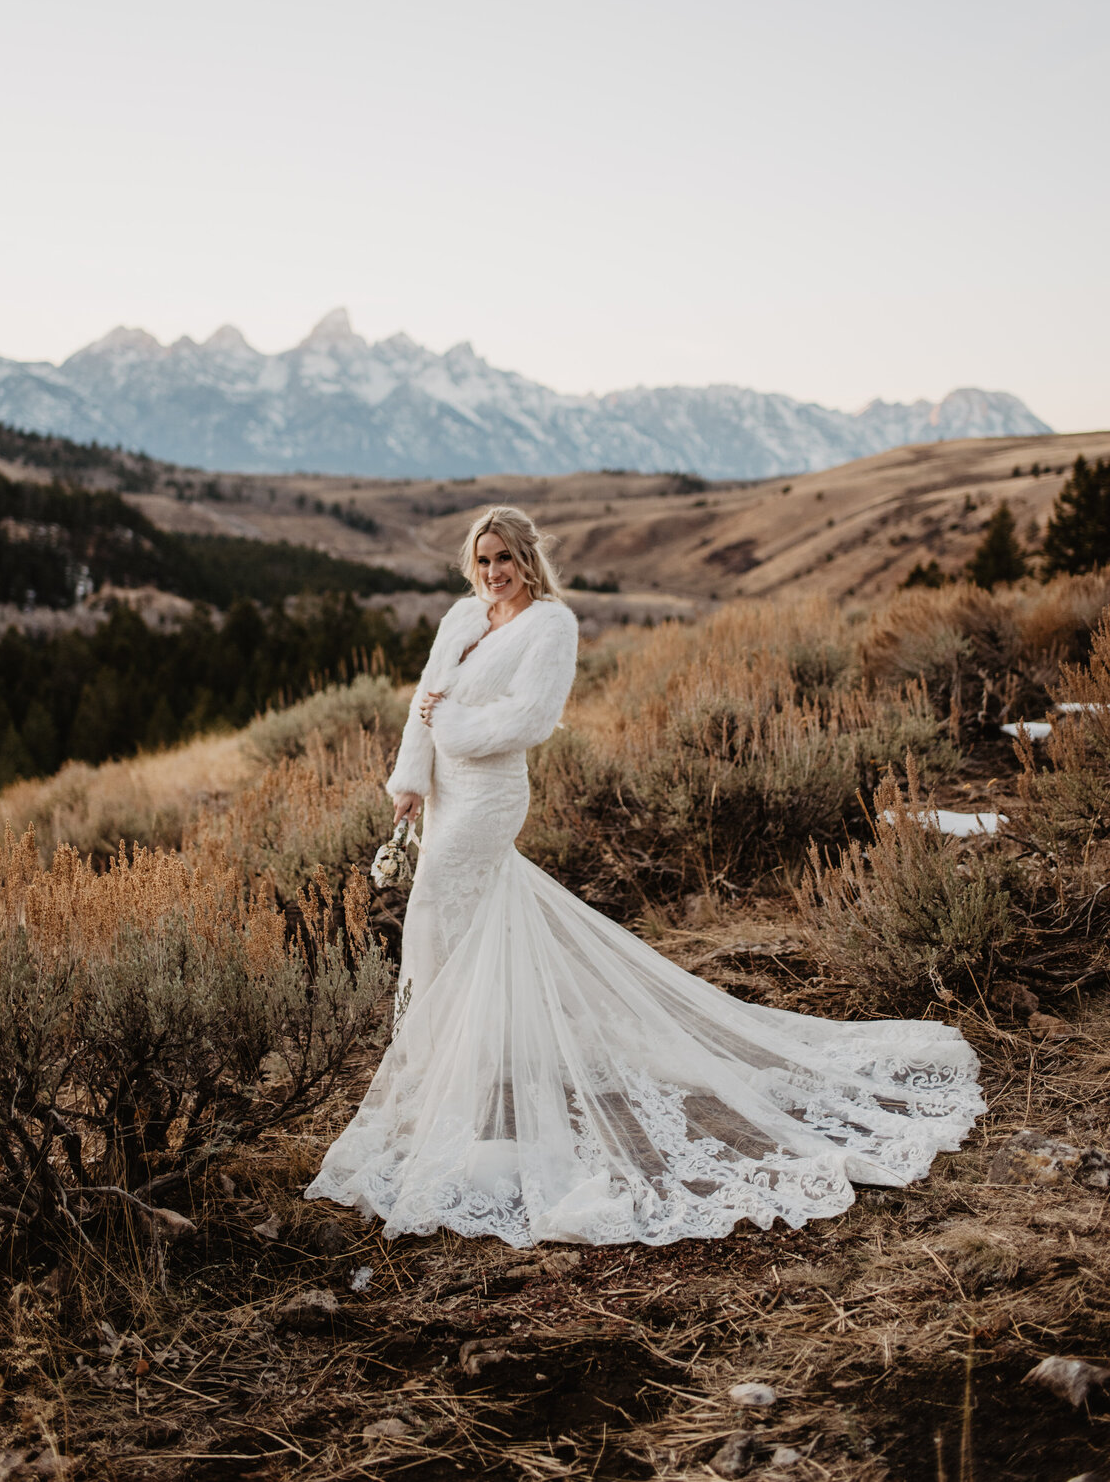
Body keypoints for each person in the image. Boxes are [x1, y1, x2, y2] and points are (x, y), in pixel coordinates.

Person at [306, 505, 983, 1248]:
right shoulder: (463, 618)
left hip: (492, 792)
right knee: (460, 923)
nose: (493, 572)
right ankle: (455, 1064)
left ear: (526, 558)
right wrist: (411, 775)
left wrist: (451, 725)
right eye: (482, 560)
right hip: (442, 794)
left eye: (503, 558)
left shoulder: (551, 626)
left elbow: (530, 718)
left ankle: (445, 1071)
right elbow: (422, 700)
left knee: (434, 911)